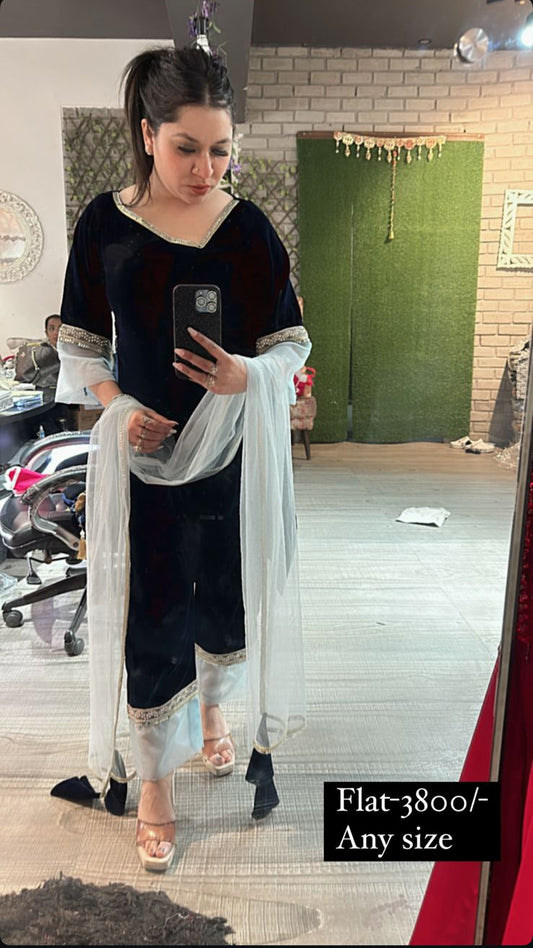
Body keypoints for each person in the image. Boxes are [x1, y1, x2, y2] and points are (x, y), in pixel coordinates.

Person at [55, 45, 311, 872]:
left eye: (221, 149)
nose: (206, 169)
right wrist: (118, 406)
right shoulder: (104, 225)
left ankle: (211, 712)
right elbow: (82, 347)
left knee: (224, 602)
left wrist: (249, 375)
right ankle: (156, 783)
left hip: (231, 455)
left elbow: (290, 341)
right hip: (144, 460)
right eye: (186, 148)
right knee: (154, 612)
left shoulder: (247, 228)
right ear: (146, 135)